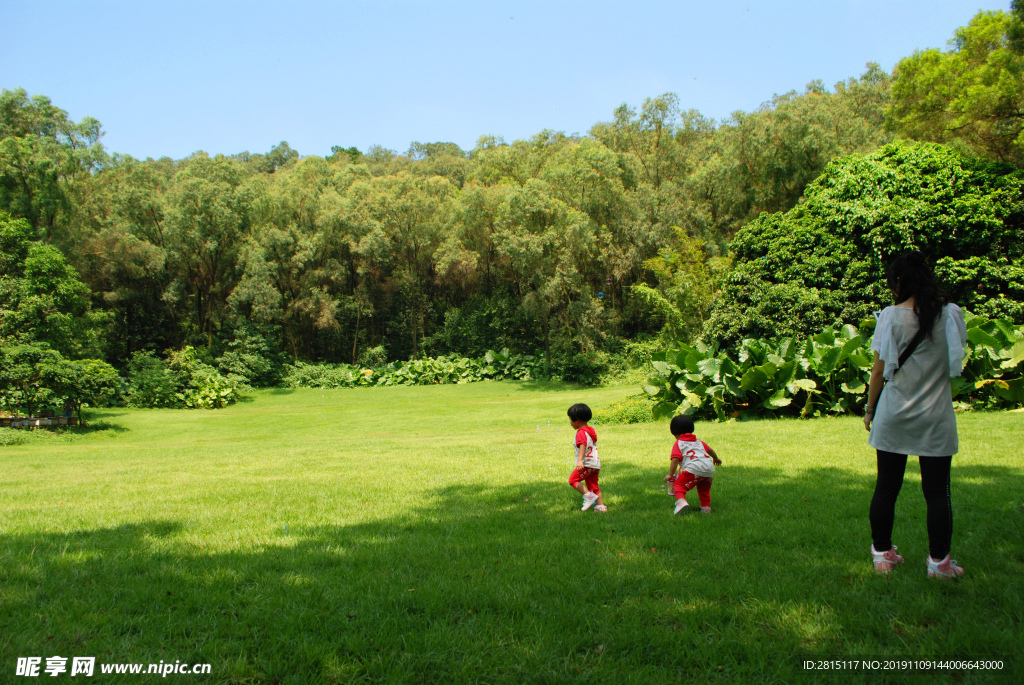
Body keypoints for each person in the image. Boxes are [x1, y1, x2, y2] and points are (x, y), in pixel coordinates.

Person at [863, 250, 968, 579]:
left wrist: (869, 409)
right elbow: (956, 365)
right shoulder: (949, 315)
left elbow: (879, 372)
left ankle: (882, 555)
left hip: (894, 413)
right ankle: (939, 563)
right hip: (935, 414)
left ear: (898, 282)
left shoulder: (890, 317)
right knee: (938, 492)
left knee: (886, 487)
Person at [664, 414, 721, 514]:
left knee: (679, 484)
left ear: (674, 433)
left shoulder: (679, 443)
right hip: (709, 469)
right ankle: (706, 508)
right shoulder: (698, 442)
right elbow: (710, 450)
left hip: (694, 468)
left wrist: (670, 474)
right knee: (704, 489)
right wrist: (716, 458)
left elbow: (675, 460)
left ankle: (681, 502)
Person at [567, 403, 606, 512]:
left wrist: (580, 460)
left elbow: (582, 445)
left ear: (578, 421)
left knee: (573, 480)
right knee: (594, 486)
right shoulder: (590, 430)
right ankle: (600, 507)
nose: (570, 423)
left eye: (571, 420)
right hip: (595, 464)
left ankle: (589, 496)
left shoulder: (581, 432)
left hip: (586, 463)